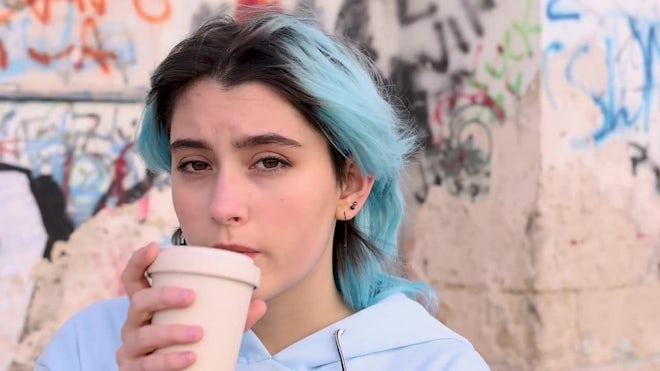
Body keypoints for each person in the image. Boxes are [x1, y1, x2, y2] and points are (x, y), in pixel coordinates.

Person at [35, 11, 490, 371]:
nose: (223, 206)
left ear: (350, 185)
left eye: (270, 162)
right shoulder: (92, 346)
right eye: (195, 164)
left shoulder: (430, 361)